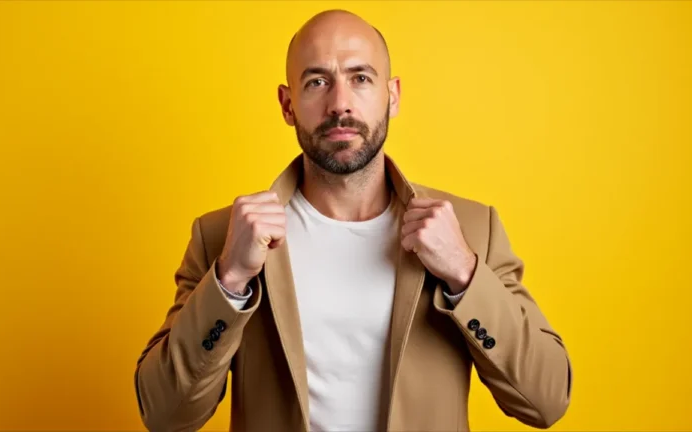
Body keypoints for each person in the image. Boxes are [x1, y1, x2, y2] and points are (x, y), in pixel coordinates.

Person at [134, 9, 572, 432]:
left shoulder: (472, 229)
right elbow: (164, 415)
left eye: (360, 78)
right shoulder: (222, 238)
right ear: (287, 105)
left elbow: (546, 399)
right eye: (317, 81)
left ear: (392, 95)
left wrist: (464, 273)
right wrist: (229, 280)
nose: (339, 104)